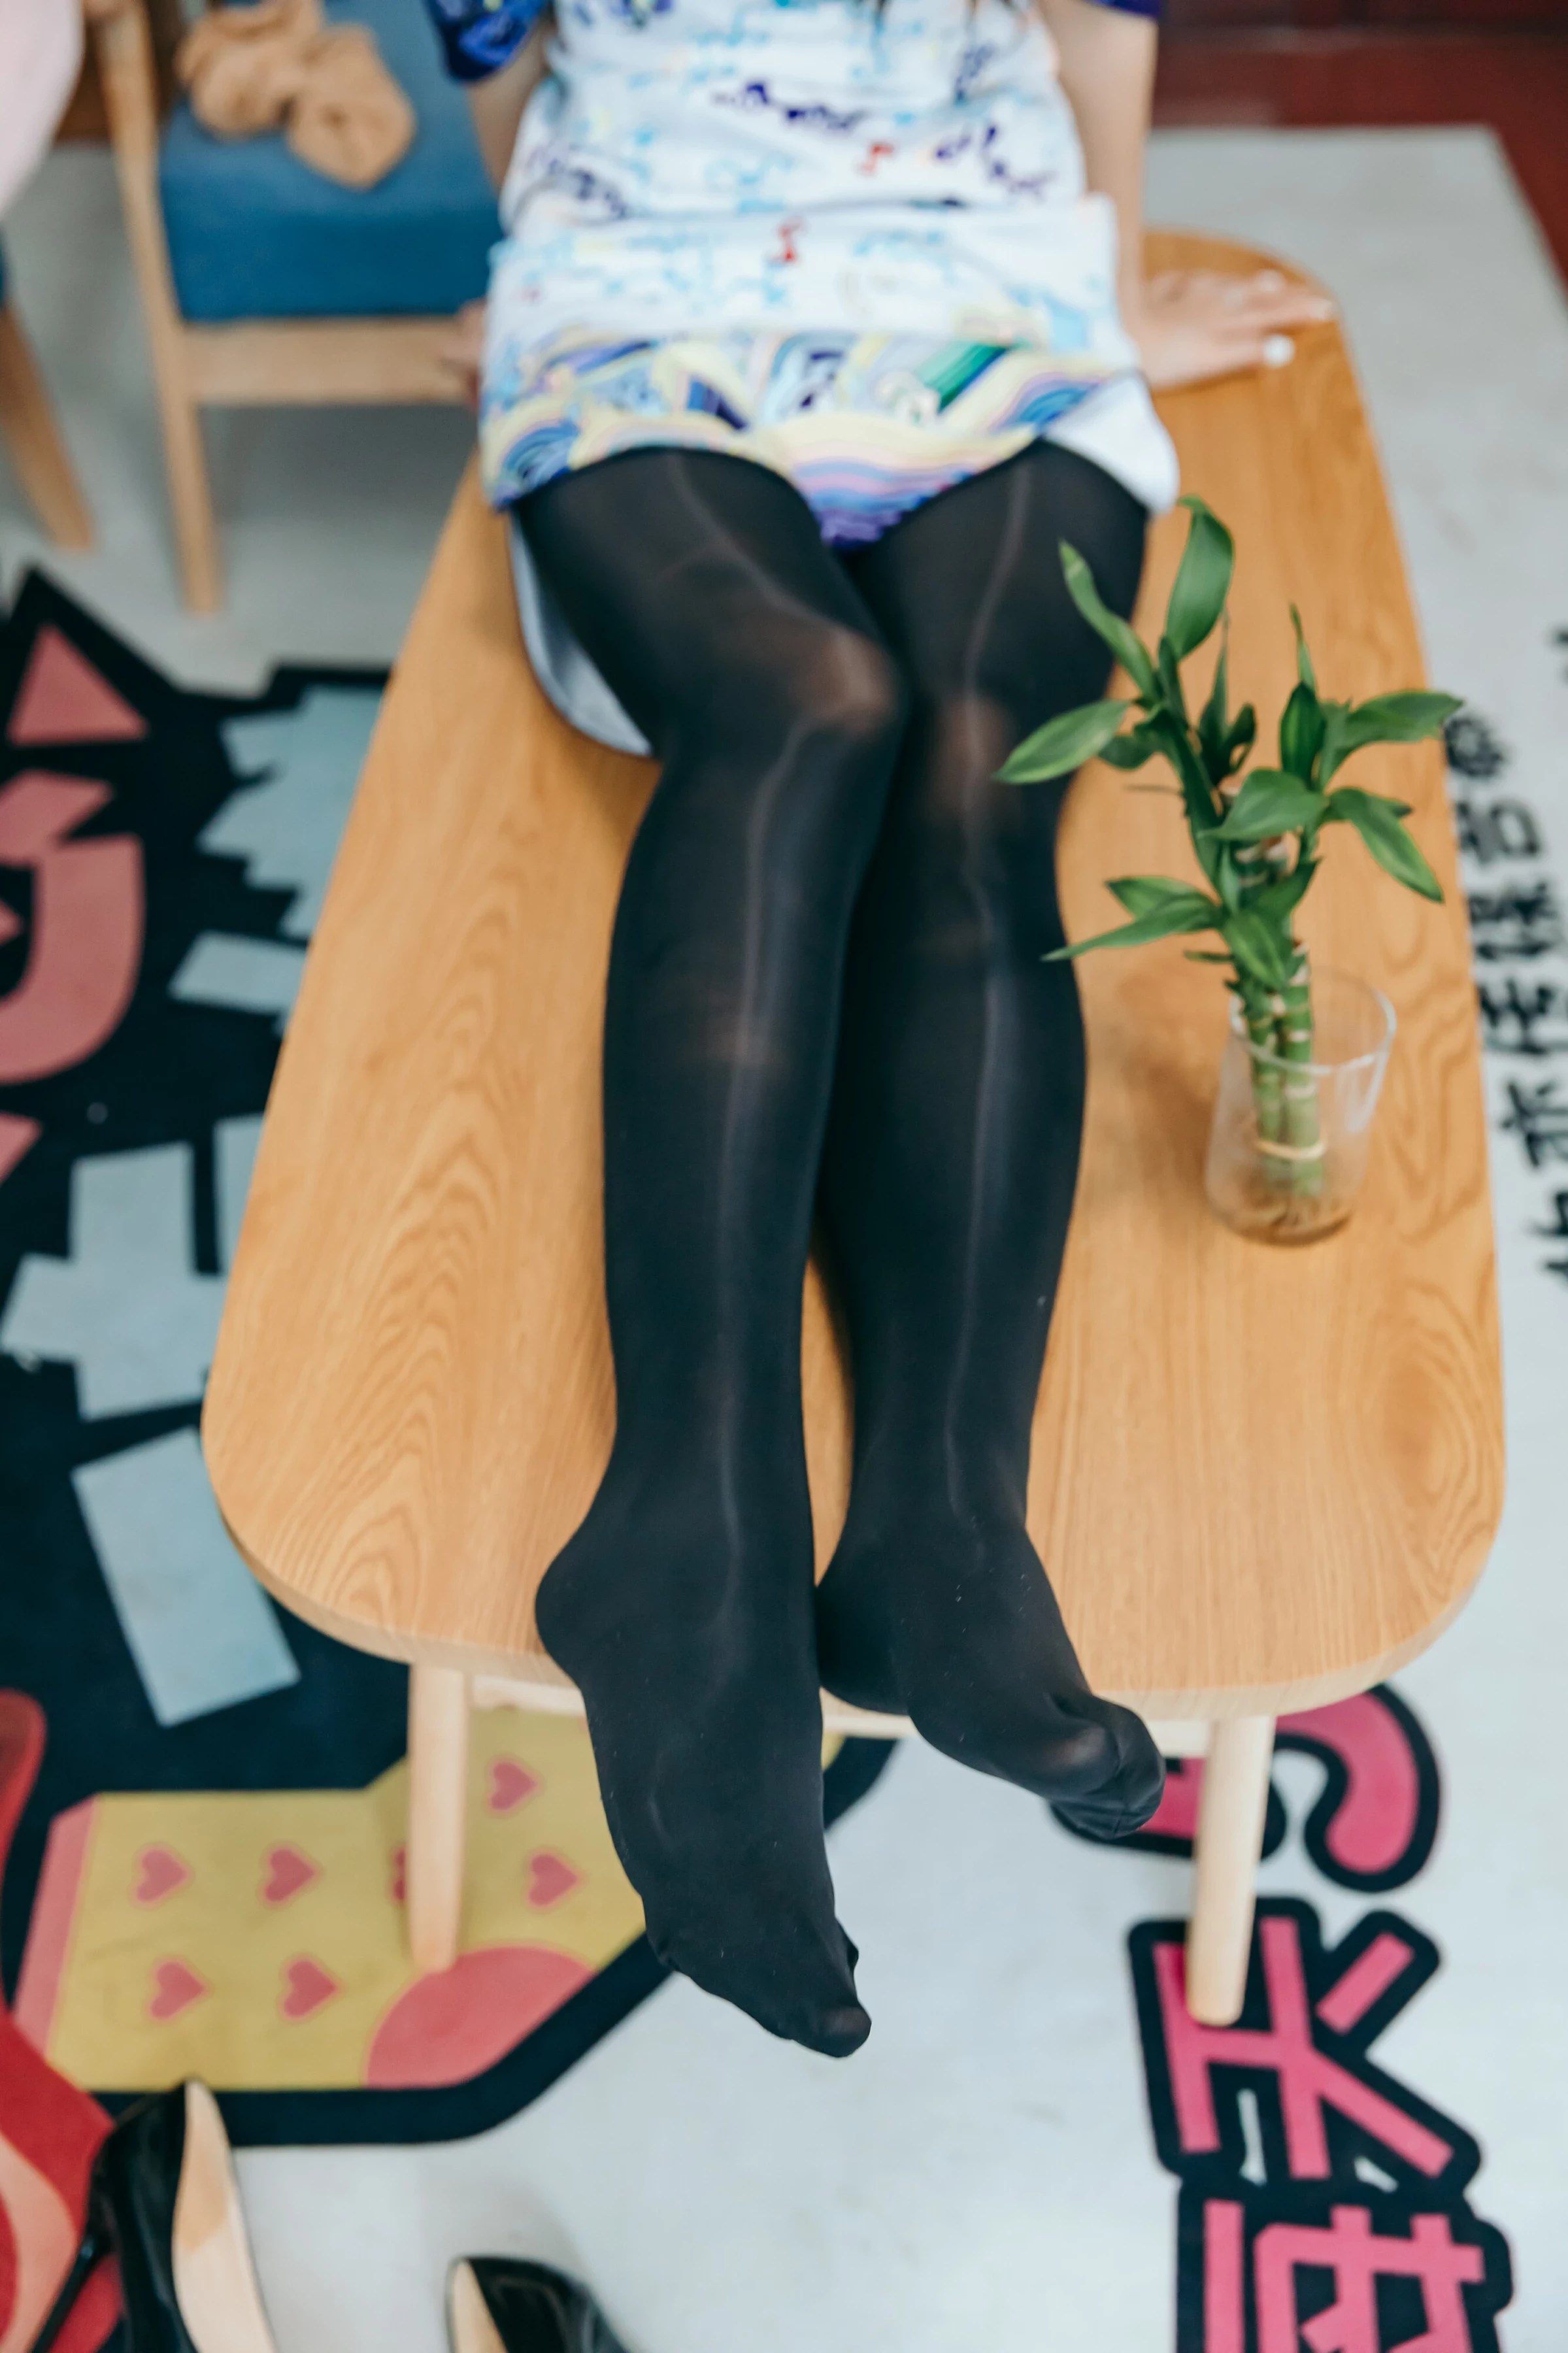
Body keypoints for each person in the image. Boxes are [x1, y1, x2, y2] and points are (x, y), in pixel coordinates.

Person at [423, 0, 1328, 2060]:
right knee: (804, 704)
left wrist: (1099, 286)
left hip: (982, 269)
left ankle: (941, 1527)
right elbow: (489, 40)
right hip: (641, 276)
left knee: (975, 762)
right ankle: (690, 1523)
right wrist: (534, 259)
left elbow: (1100, 19)